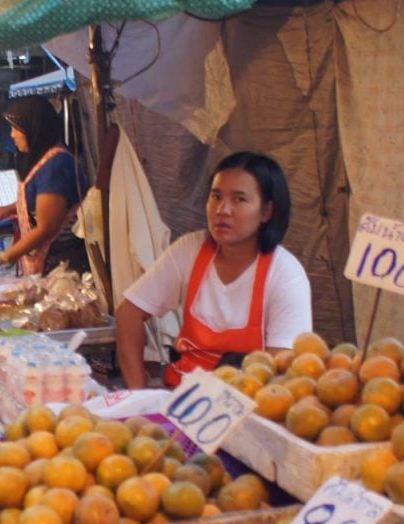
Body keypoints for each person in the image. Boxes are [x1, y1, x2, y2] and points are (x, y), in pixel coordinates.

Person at [116, 151, 313, 388]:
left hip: (248, 403)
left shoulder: (285, 273)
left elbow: (283, 366)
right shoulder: (190, 249)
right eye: (216, 196)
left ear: (267, 211)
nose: (222, 209)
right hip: (181, 396)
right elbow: (128, 313)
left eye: (239, 199)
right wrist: (138, 393)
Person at [0, 96, 90, 275]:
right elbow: (41, 201)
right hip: (51, 260)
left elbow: (46, 228)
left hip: (63, 264)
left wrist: (4, 257)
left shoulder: (56, 165)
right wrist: (10, 209)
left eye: (15, 129)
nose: (12, 135)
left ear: (33, 128)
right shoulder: (44, 160)